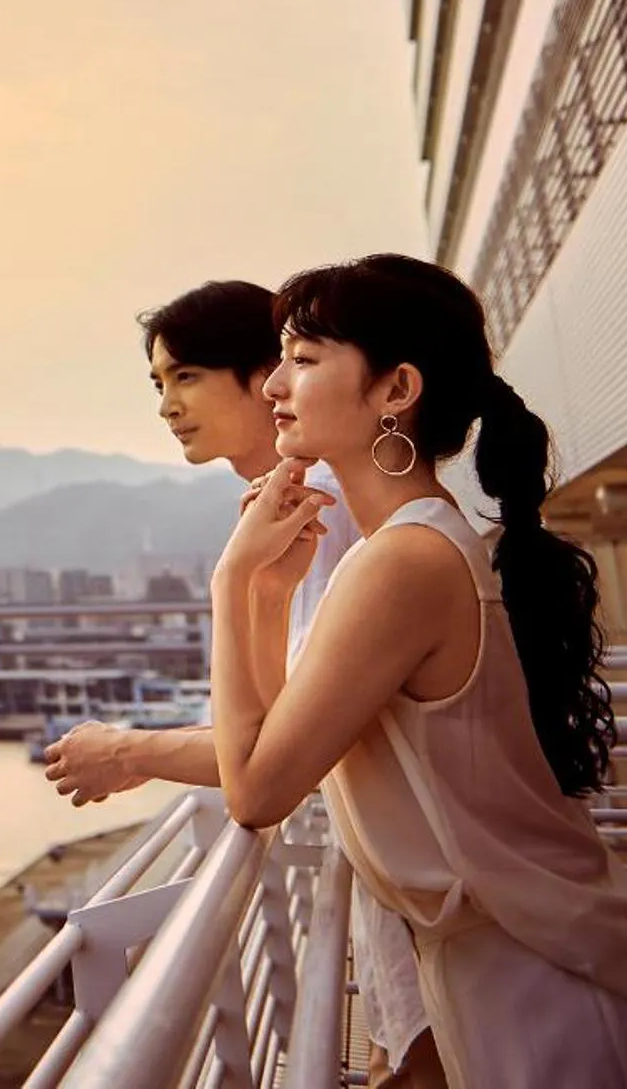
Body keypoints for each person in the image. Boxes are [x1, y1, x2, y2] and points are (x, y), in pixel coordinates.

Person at [212, 253, 627, 1088]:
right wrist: (270, 592)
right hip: (522, 969)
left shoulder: (405, 561)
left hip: (551, 994)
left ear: (395, 390)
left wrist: (229, 580)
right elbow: (290, 736)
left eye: (304, 358)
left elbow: (253, 787)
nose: (274, 384)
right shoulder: (418, 542)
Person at [44, 280, 439, 1086]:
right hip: (410, 881)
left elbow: (283, 753)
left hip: (435, 889)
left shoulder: (334, 518)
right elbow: (281, 728)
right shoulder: (296, 510)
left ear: (265, 376)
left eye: (186, 375)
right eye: (158, 383)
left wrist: (130, 749)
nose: (166, 405)